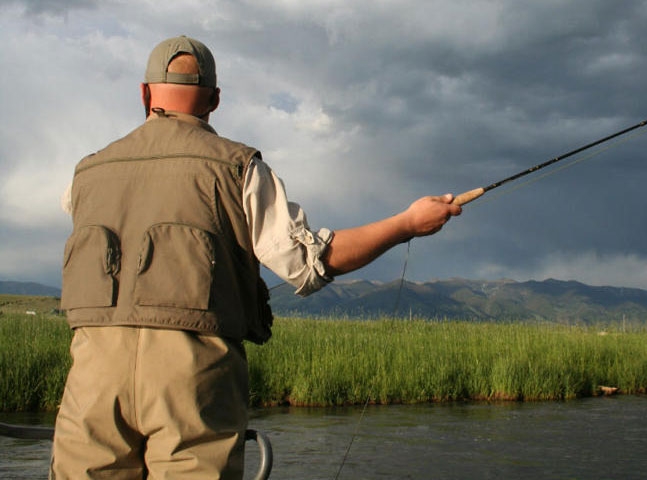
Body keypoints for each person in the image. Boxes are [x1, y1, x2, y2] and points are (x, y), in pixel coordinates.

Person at [51, 35, 461, 479]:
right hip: (192, 384)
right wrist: (406, 223)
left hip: (90, 386)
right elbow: (311, 265)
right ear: (215, 100)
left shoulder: (85, 174)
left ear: (144, 93)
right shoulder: (238, 168)